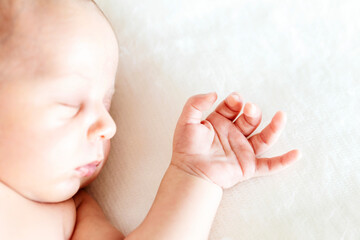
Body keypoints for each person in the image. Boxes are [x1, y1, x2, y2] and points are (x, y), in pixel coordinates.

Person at [0, 0, 301, 239]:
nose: (109, 126)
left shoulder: (73, 217)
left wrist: (195, 178)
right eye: (69, 104)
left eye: (107, 103)